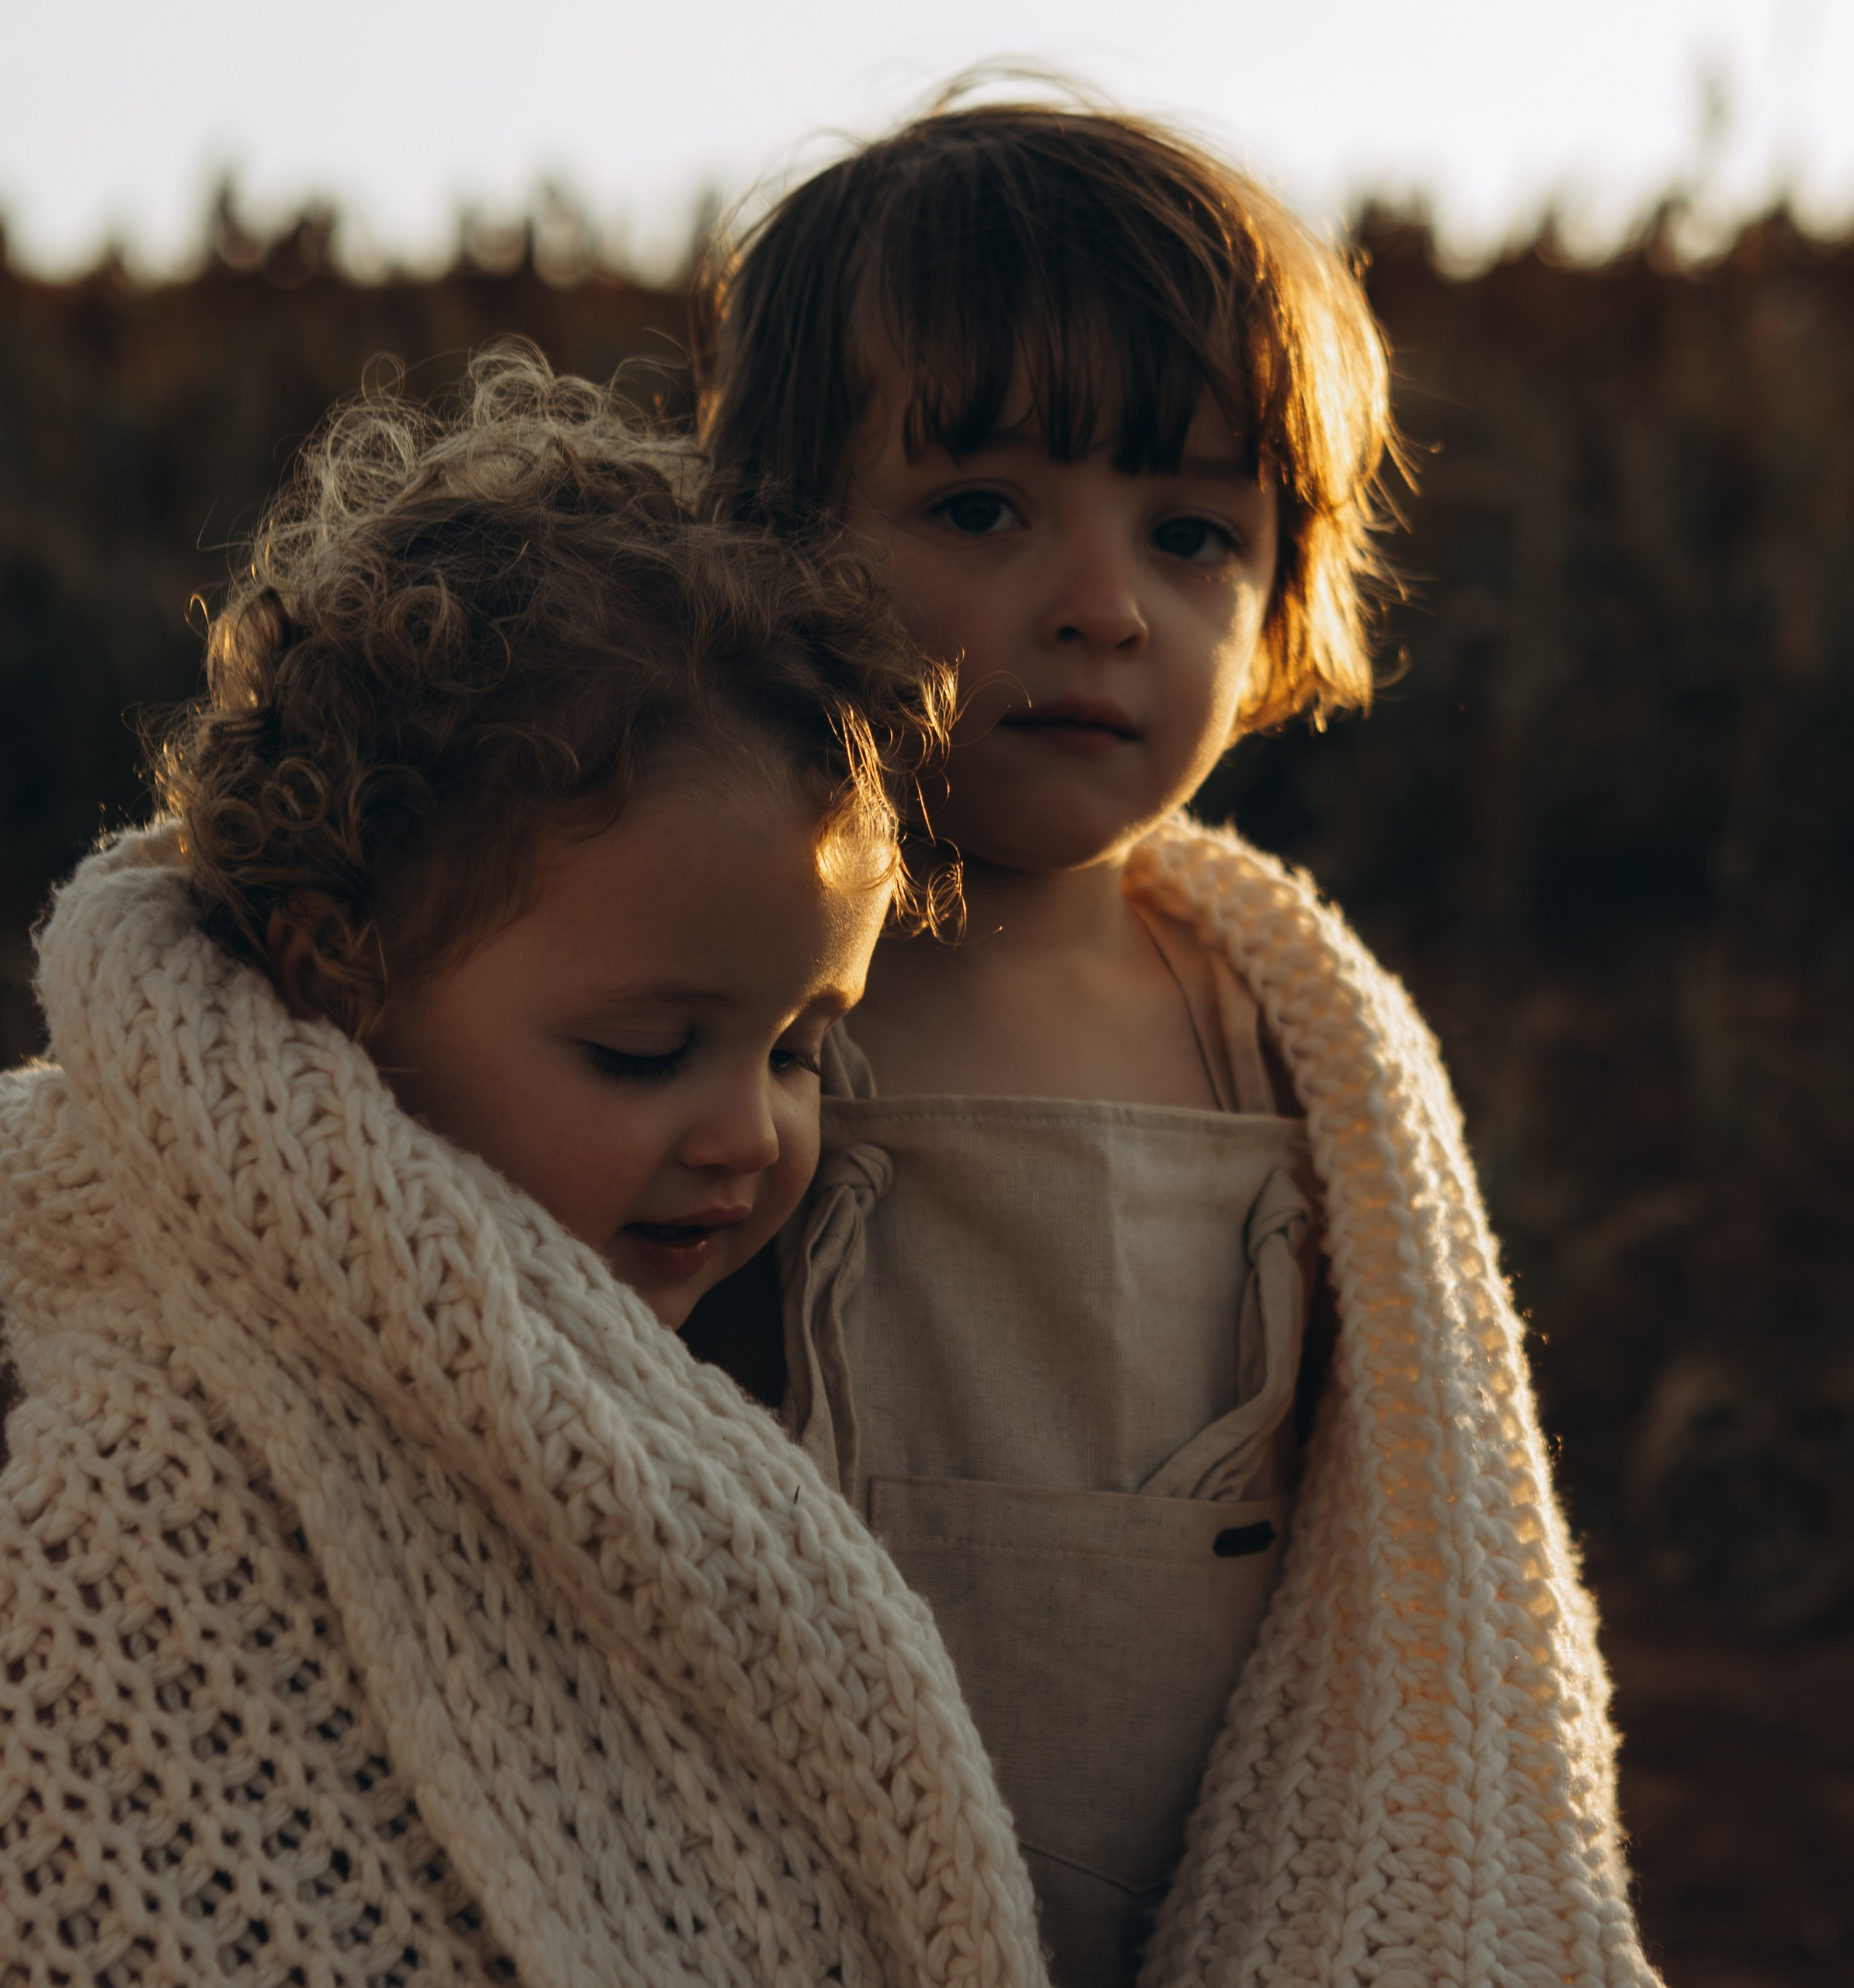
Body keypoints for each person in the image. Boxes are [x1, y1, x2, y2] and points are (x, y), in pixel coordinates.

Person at [0, 351, 1059, 1987]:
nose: (746, 1130)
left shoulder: (715, 1391)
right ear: (332, 980)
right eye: (645, 1051)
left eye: (795, 1044)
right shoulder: (153, 1498)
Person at [696, 98, 1661, 1986]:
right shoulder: (718, 981)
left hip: (1194, 1911)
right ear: (772, 538)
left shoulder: (1277, 1035)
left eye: (1193, 530)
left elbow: (1396, 1559)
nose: (1099, 604)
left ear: (1284, 586)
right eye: (980, 508)